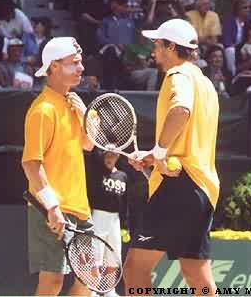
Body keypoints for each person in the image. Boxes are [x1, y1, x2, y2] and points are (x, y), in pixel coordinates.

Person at [124, 18, 220, 296]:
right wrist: (156, 159)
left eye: (157, 44)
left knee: (134, 270)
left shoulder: (177, 75)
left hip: (180, 186)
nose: (153, 50)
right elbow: (189, 139)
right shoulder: (206, 84)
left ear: (170, 47)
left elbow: (181, 111)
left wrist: (158, 152)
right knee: (196, 273)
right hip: (203, 189)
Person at [21, 36, 96, 296]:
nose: (81, 68)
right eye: (74, 63)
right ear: (53, 66)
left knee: (90, 277)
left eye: (81, 62)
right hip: (50, 209)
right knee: (52, 281)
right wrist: (52, 206)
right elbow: (31, 163)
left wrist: (85, 114)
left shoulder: (74, 103)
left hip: (80, 208)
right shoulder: (42, 109)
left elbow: (89, 145)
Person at [87, 147, 128, 297]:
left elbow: (125, 203)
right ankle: (92, 290)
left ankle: (109, 290)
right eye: (107, 155)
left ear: (118, 157)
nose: (110, 158)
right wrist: (103, 147)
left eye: (113, 155)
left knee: (114, 256)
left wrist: (124, 226)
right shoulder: (97, 172)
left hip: (115, 220)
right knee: (96, 255)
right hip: (98, 216)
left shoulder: (123, 176)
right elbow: (93, 154)